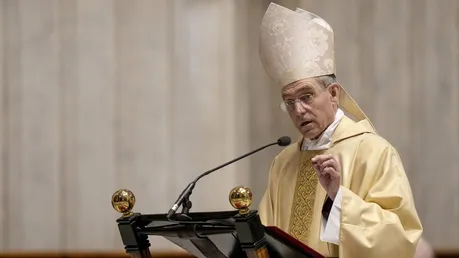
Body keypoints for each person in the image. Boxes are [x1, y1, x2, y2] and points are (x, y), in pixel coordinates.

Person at [257, 3, 423, 258]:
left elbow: (401, 237)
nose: (299, 110)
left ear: (333, 93)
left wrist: (338, 198)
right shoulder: (283, 162)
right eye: (289, 102)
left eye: (307, 96)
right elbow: (264, 236)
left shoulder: (373, 152)